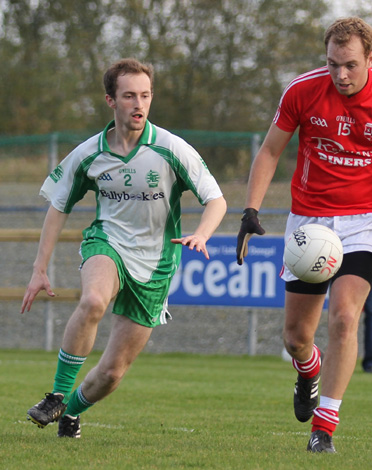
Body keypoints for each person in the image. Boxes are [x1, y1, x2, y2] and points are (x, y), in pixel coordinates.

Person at [236, 17, 372, 453]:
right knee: (296, 338)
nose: (341, 74)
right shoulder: (302, 90)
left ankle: (324, 428)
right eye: (333, 64)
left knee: (343, 316)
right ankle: (308, 371)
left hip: (366, 223)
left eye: (351, 65)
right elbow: (269, 151)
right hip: (310, 222)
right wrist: (250, 210)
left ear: (370, 59)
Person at [22, 58, 227, 438]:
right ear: (110, 101)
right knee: (94, 300)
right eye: (129, 95)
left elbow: (216, 200)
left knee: (113, 373)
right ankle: (56, 395)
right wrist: (39, 267)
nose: (139, 104)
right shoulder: (89, 153)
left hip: (156, 265)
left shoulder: (171, 148)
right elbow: (58, 207)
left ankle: (71, 411)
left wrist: (202, 233)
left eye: (145, 95)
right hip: (108, 243)